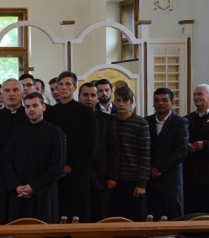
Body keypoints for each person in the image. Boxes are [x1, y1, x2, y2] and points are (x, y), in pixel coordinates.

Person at [3, 93, 65, 223]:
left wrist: (34, 187)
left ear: (43, 107)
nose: (31, 109)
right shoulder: (18, 132)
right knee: (18, 234)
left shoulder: (55, 133)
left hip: (44, 193)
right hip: (19, 193)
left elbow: (57, 166)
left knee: (43, 235)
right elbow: (7, 161)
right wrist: (16, 186)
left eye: (35, 105)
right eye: (27, 106)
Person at [45, 71, 97, 222]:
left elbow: (90, 145)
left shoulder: (86, 113)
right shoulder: (50, 113)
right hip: (54, 173)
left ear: (74, 88)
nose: (63, 87)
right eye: (60, 84)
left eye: (68, 84)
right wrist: (56, 167)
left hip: (78, 172)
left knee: (77, 213)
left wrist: (72, 166)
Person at [0, 78, 28, 224]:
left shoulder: (30, 117)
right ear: (2, 94)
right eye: (7, 90)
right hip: (0, 178)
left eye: (15, 90)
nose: (11, 94)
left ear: (22, 93)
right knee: (1, 217)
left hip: (25, 177)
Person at [145, 88, 188, 220]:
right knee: (152, 217)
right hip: (150, 178)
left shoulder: (180, 123)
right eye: (156, 100)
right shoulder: (146, 121)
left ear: (172, 102)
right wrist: (151, 168)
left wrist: (160, 168)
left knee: (172, 218)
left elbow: (181, 152)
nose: (160, 103)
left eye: (164, 100)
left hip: (170, 179)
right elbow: (143, 149)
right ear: (153, 103)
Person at [78, 82, 119, 221]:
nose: (89, 98)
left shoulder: (107, 119)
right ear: (79, 97)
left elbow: (113, 149)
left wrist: (112, 176)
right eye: (85, 95)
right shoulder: (73, 118)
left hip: (101, 176)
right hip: (77, 174)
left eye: (93, 95)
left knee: (100, 215)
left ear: (97, 98)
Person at [111, 86, 150, 221]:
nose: (121, 104)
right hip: (113, 179)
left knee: (135, 219)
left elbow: (145, 155)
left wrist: (141, 184)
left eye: (125, 100)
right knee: (115, 219)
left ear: (132, 102)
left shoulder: (141, 123)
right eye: (118, 100)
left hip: (133, 179)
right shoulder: (110, 121)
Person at [184, 84, 209, 215]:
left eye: (200, 94)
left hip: (206, 175)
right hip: (190, 175)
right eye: (194, 94)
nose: (196, 97)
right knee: (191, 213)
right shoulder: (186, 119)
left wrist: (204, 144)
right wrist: (185, 145)